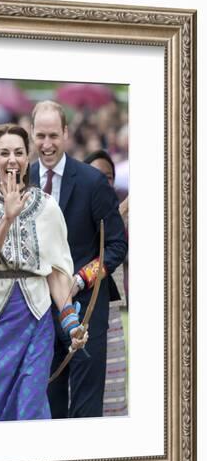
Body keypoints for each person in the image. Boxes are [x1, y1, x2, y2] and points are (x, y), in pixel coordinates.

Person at [0, 123, 87, 423]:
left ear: (28, 157)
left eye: (19, 152)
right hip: (1, 315)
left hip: (39, 317)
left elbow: (56, 273)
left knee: (31, 401)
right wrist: (7, 219)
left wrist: (71, 323)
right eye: (5, 153)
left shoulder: (47, 206)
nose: (12, 159)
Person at [30, 101, 128, 418]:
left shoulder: (92, 182)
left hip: (85, 306)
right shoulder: (21, 182)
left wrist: (83, 278)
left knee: (85, 409)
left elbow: (115, 245)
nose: (47, 144)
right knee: (47, 403)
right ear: (32, 134)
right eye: (41, 136)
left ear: (67, 134)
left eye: (53, 136)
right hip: (37, 310)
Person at [84, 149, 128, 416]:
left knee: (113, 389)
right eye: (97, 176)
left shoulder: (118, 218)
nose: (103, 182)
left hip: (111, 315)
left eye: (108, 177)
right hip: (82, 311)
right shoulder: (78, 214)